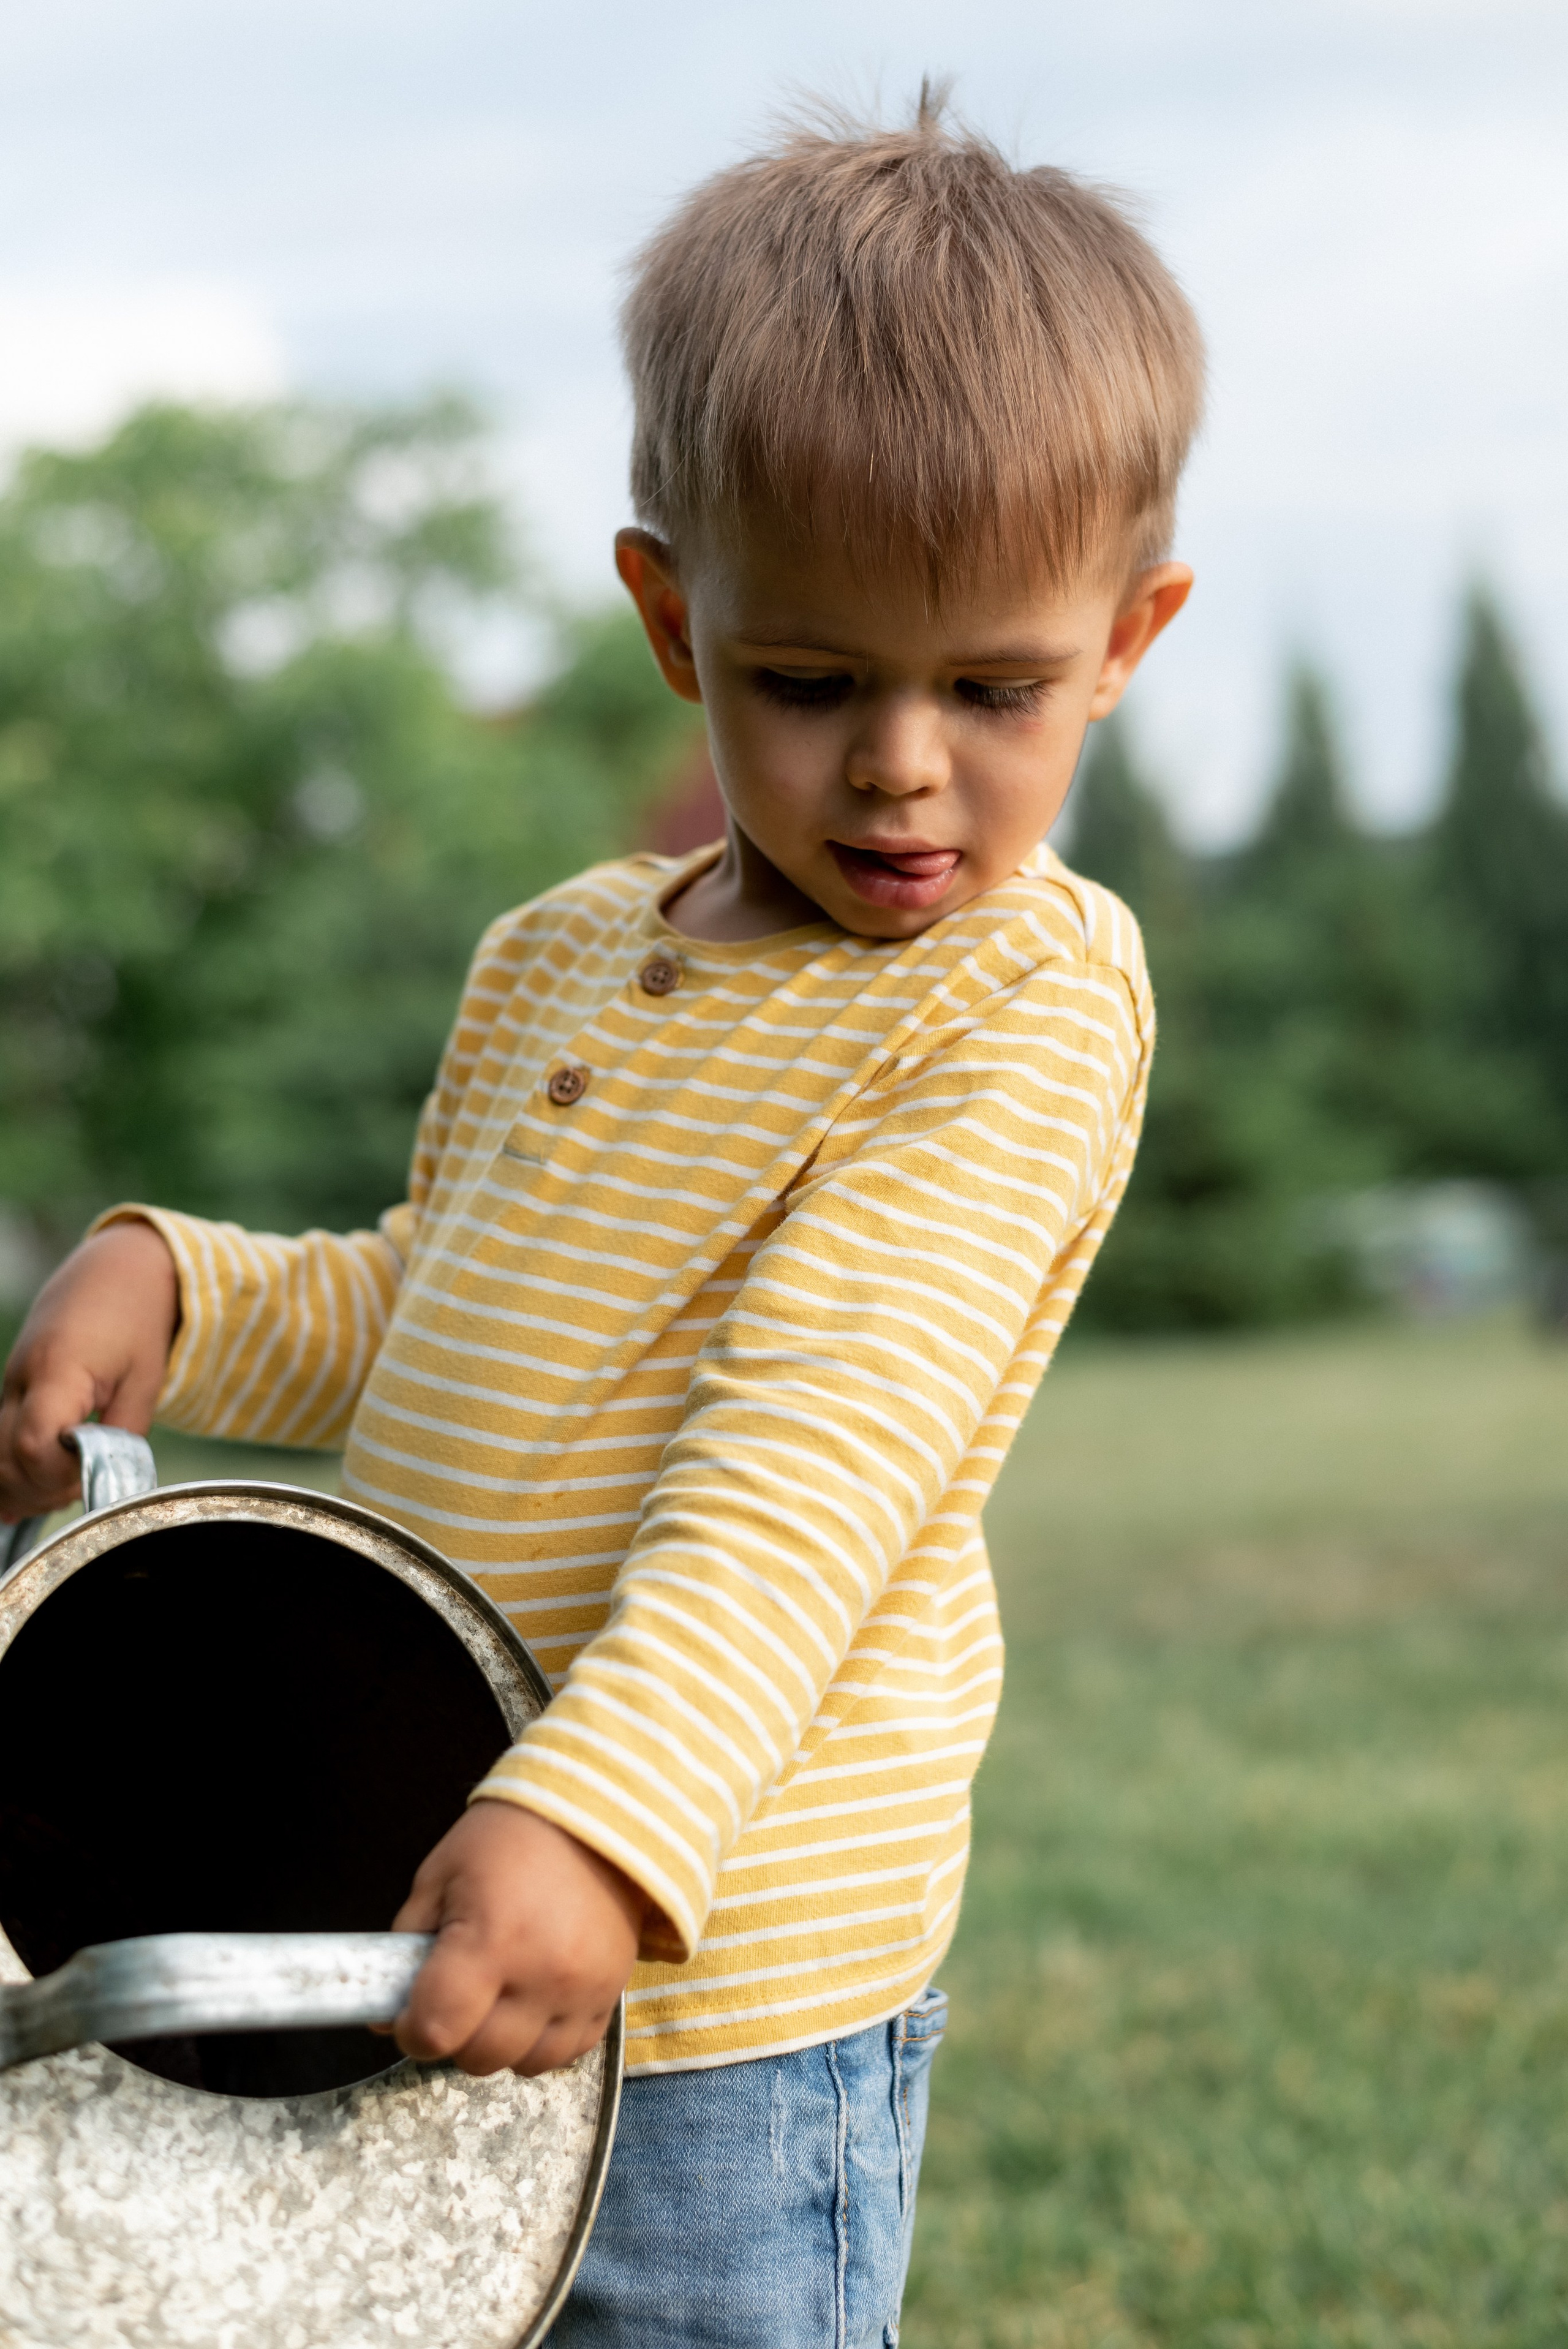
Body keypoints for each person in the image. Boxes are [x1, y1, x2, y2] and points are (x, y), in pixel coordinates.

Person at [0, 91, 1203, 2349]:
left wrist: (601, 1824)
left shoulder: (1020, 994)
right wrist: (192, 1283)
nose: (906, 765)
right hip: (417, 1917)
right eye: (816, 678)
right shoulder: (558, 956)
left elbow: (810, 1474)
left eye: (998, 685)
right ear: (674, 614)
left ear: (1129, 635)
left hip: (713, 1982)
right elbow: (436, 1299)